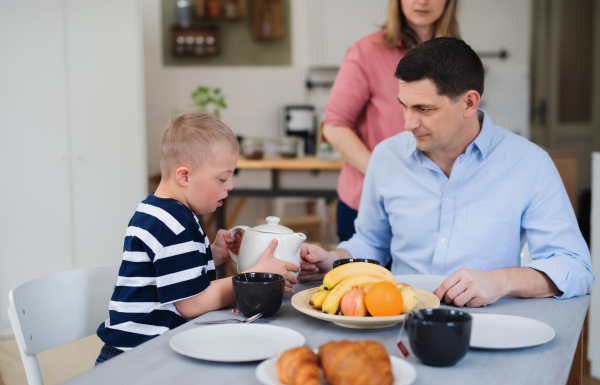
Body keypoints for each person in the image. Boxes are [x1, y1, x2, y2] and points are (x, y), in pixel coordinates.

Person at [300, 37, 594, 307]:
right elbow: (371, 243)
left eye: (424, 109)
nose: (407, 124)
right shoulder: (386, 156)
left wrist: (500, 281)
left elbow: (575, 267)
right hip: (400, 318)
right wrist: (334, 259)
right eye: (404, 106)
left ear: (469, 103)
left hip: (489, 322)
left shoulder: (529, 164)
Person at [96, 112, 299, 364]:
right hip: (136, 356)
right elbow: (192, 303)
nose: (231, 185)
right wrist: (253, 276)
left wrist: (213, 254)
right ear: (184, 176)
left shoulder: (161, 211)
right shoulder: (175, 223)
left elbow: (172, 269)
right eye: (222, 178)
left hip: (140, 348)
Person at [324, 0, 460, 242]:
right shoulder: (365, 52)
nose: (423, 1)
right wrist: (387, 175)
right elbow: (335, 127)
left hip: (430, 207)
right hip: (367, 204)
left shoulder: (458, 56)